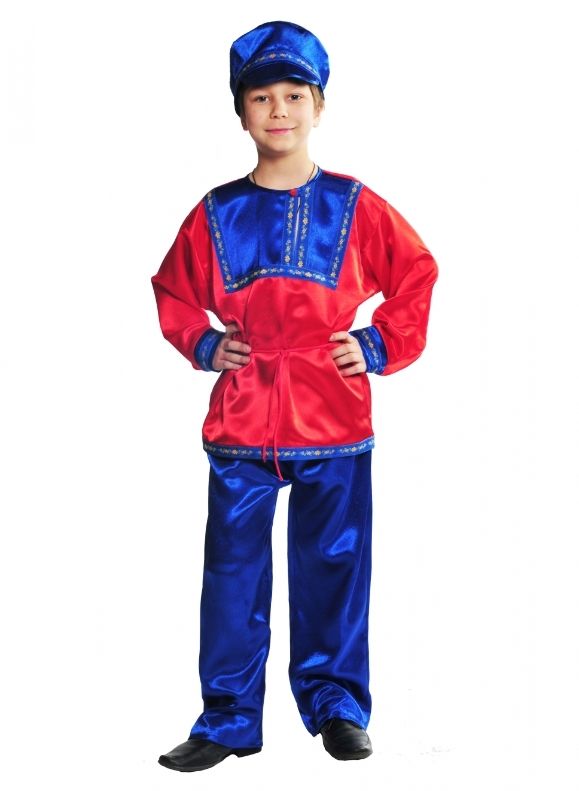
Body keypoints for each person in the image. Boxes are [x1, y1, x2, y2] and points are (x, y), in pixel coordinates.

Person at [151, 20, 438, 772]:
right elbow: (173, 291)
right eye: (260, 97)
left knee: (335, 563)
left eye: (293, 95)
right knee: (231, 571)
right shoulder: (215, 213)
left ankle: (336, 703)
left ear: (319, 106)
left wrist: (375, 344)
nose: (278, 110)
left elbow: (415, 272)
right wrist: (205, 343)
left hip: (332, 415)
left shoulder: (354, 203)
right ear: (240, 112)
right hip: (243, 418)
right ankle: (227, 717)